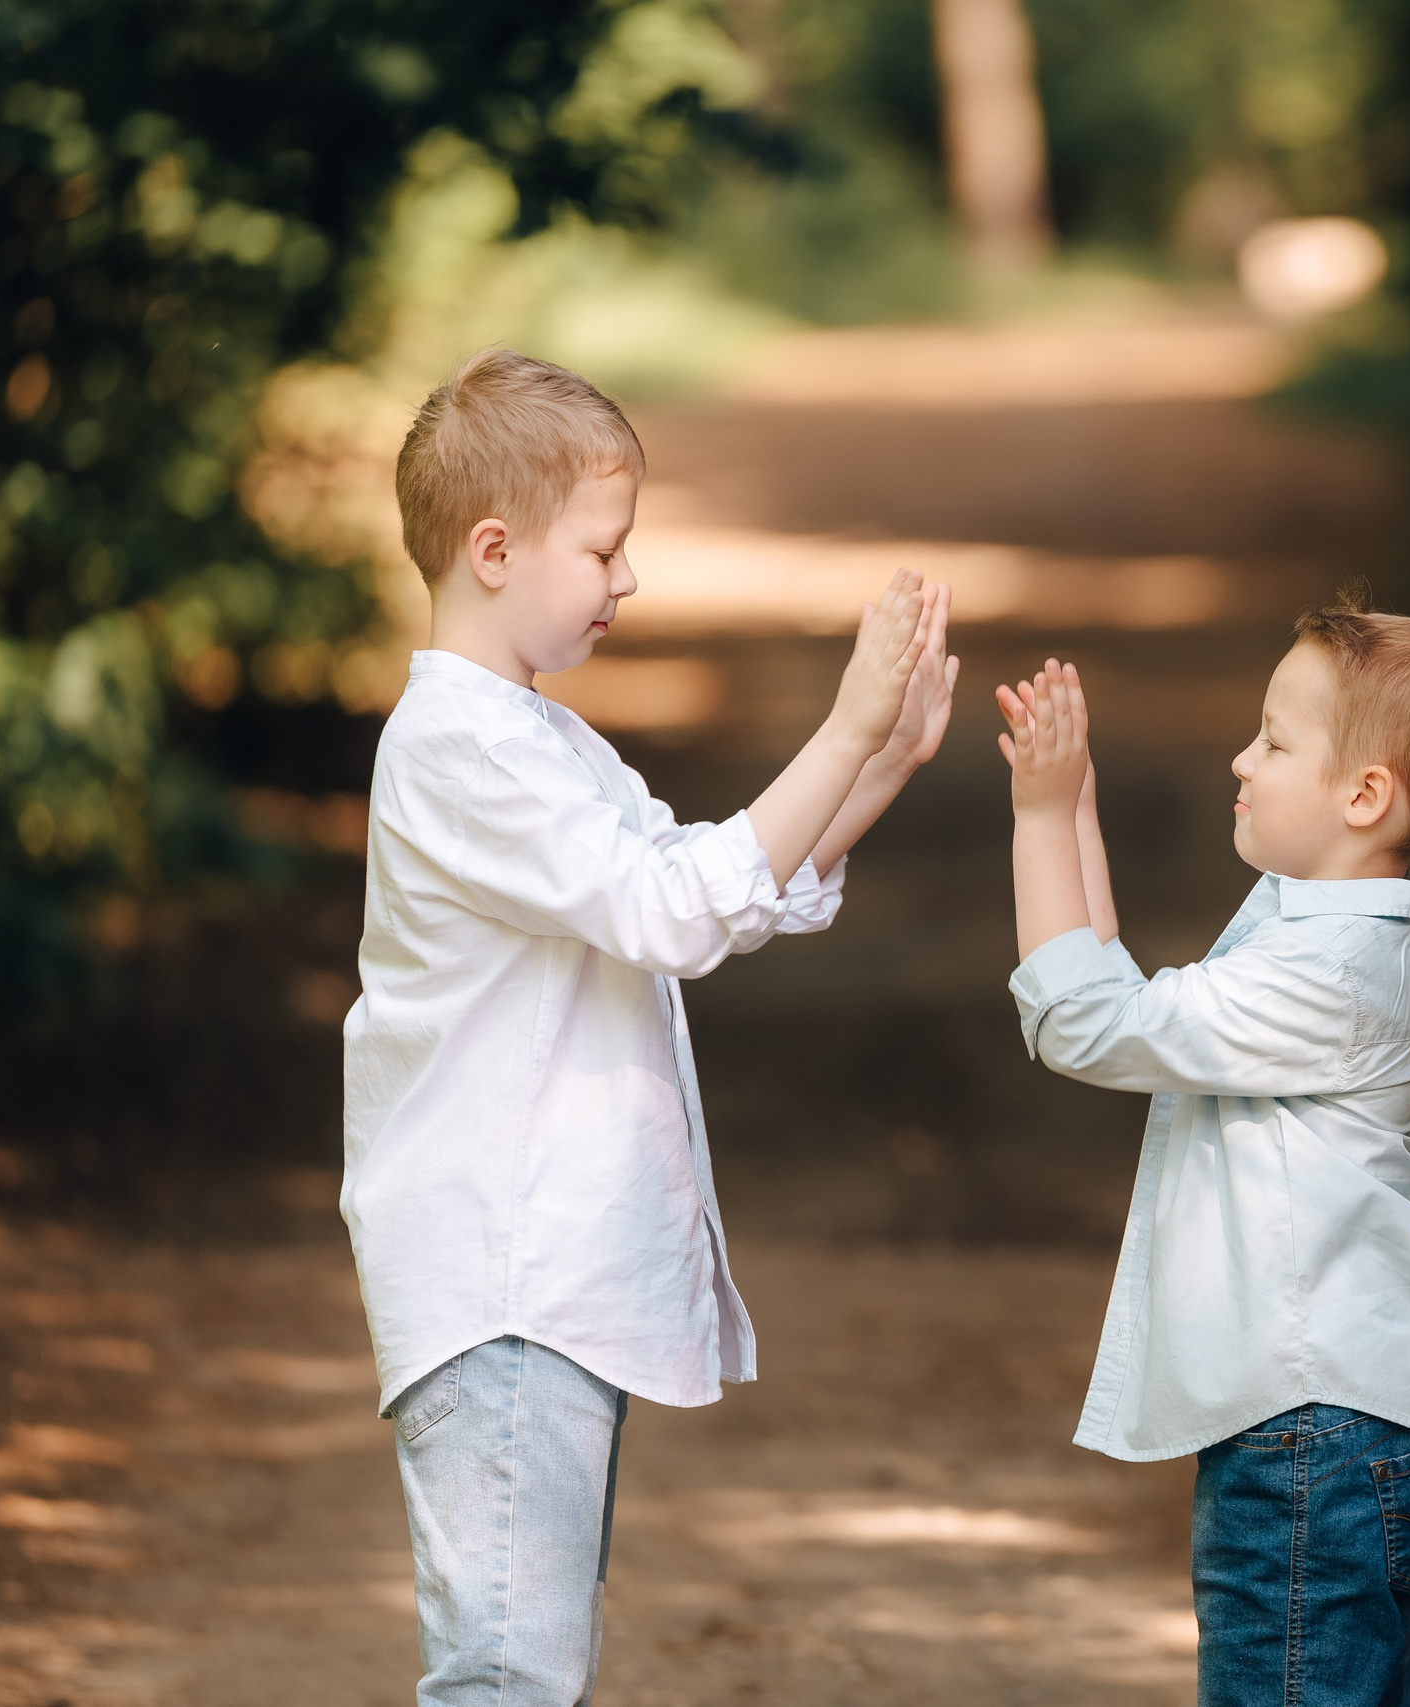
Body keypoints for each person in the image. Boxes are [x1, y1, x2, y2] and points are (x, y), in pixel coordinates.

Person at [341, 348, 957, 1706]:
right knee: (509, 1674)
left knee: (529, 1666)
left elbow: (709, 885)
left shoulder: (541, 741)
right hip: (505, 1277)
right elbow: (675, 908)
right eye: (604, 548)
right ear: (493, 551)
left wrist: (877, 759)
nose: (628, 578)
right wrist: (843, 725)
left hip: (547, 1281)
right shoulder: (461, 751)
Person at [993, 592, 1410, 1707]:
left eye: (1274, 742)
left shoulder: (1327, 973)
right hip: (1358, 1422)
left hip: (1318, 1435)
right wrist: (1074, 803)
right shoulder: (1332, 926)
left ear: (1363, 795)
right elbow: (1126, 999)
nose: (1242, 758)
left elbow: (1085, 1023)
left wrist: (1039, 822)